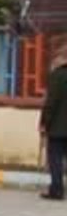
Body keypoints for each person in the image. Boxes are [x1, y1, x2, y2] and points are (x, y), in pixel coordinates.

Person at [40, 47, 67, 201]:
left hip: (58, 128)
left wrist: (44, 123)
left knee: (55, 159)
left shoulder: (57, 76)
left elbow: (50, 103)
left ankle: (57, 190)